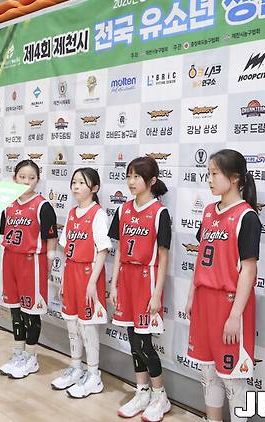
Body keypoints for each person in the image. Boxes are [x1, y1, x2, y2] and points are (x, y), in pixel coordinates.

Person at [185, 149, 261, 422]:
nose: (209, 179)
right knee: (208, 372)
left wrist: (235, 315)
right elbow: (200, 258)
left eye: (215, 173)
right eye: (208, 173)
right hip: (204, 300)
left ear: (235, 177)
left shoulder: (246, 216)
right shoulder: (208, 211)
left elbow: (248, 270)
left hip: (229, 305)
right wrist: (192, 295)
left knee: (232, 378)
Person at [108, 156, 172, 422]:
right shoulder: (123, 210)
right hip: (127, 279)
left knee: (145, 343)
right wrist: (114, 284)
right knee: (133, 341)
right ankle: (142, 391)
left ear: (152, 180)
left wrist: (157, 293)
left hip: (147, 280)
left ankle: (160, 396)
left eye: (136, 176)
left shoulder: (159, 213)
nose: (131, 181)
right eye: (129, 176)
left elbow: (164, 256)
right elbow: (119, 250)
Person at [51, 167, 110, 398]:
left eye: (82, 183)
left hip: (89, 274)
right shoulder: (72, 213)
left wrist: (92, 283)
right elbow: (66, 249)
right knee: (72, 325)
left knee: (88, 327)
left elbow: (103, 250)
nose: (76, 186)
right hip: (72, 273)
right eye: (74, 182)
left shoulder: (98, 214)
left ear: (94, 188)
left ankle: (94, 375)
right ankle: (76, 368)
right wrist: (64, 279)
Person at [0, 159, 58, 379]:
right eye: (22, 177)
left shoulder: (43, 206)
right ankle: (18, 354)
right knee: (15, 310)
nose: (26, 181)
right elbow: (4, 233)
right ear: (15, 178)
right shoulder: (8, 204)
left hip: (32, 262)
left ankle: (31, 358)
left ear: (37, 180)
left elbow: (52, 238)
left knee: (30, 312)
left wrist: (48, 263)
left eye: (31, 178)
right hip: (10, 259)